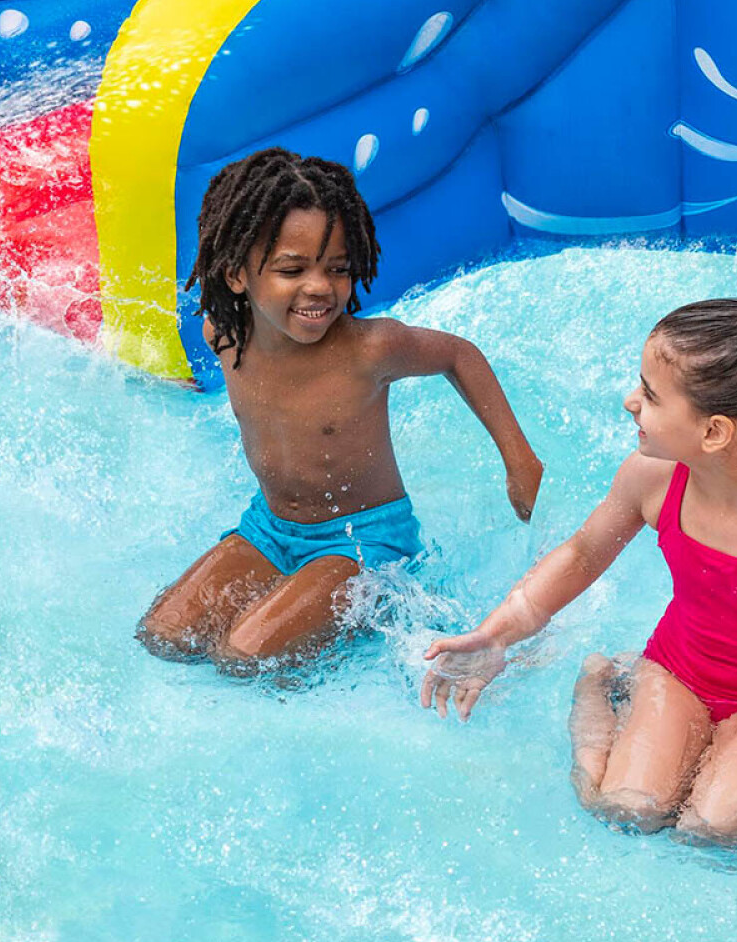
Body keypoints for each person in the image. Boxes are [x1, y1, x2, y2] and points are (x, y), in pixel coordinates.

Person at [420, 299, 737, 850]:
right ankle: (601, 681)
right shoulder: (655, 476)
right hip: (679, 673)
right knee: (624, 809)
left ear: (713, 432)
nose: (630, 402)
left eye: (651, 395)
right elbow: (582, 555)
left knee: (717, 830)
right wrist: (498, 633)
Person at [139, 148, 544, 671]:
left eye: (338, 269)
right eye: (293, 269)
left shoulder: (369, 349)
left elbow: (458, 355)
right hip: (269, 529)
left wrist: (519, 460)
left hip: (362, 542)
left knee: (243, 658)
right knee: (163, 635)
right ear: (238, 275)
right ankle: (299, 597)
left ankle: (360, 614)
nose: (319, 288)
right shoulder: (226, 336)